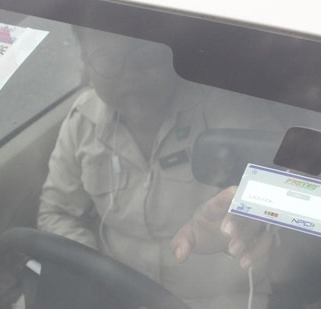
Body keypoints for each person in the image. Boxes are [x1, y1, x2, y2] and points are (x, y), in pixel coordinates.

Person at [37, 29, 276, 309]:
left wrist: (252, 228)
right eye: (107, 59)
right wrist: (92, 271)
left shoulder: (231, 110)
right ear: (85, 62)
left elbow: (299, 198)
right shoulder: (82, 121)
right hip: (112, 294)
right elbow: (56, 213)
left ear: (173, 53)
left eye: (146, 55)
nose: (129, 76)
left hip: (221, 298)